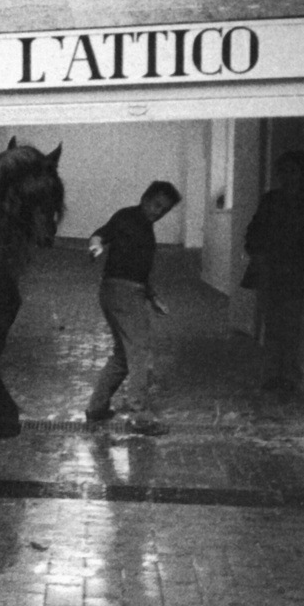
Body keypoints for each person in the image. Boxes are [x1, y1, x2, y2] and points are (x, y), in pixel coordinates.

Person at [85, 180, 182, 436]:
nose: (158, 212)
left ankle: (97, 407)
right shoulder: (127, 217)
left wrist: (152, 296)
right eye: (156, 204)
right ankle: (140, 417)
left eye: (165, 209)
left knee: (122, 355)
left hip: (121, 292)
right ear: (145, 197)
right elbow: (101, 234)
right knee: (139, 352)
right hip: (122, 293)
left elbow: (138, 268)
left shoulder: (145, 227)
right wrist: (95, 245)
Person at [242, 149, 304, 392]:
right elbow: (255, 228)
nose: (287, 176)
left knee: (291, 323)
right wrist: (256, 251)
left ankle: (288, 374)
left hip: (295, 267)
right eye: (283, 171)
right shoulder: (271, 198)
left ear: (303, 173)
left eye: (293, 171)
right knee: (272, 322)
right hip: (271, 266)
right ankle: (272, 374)